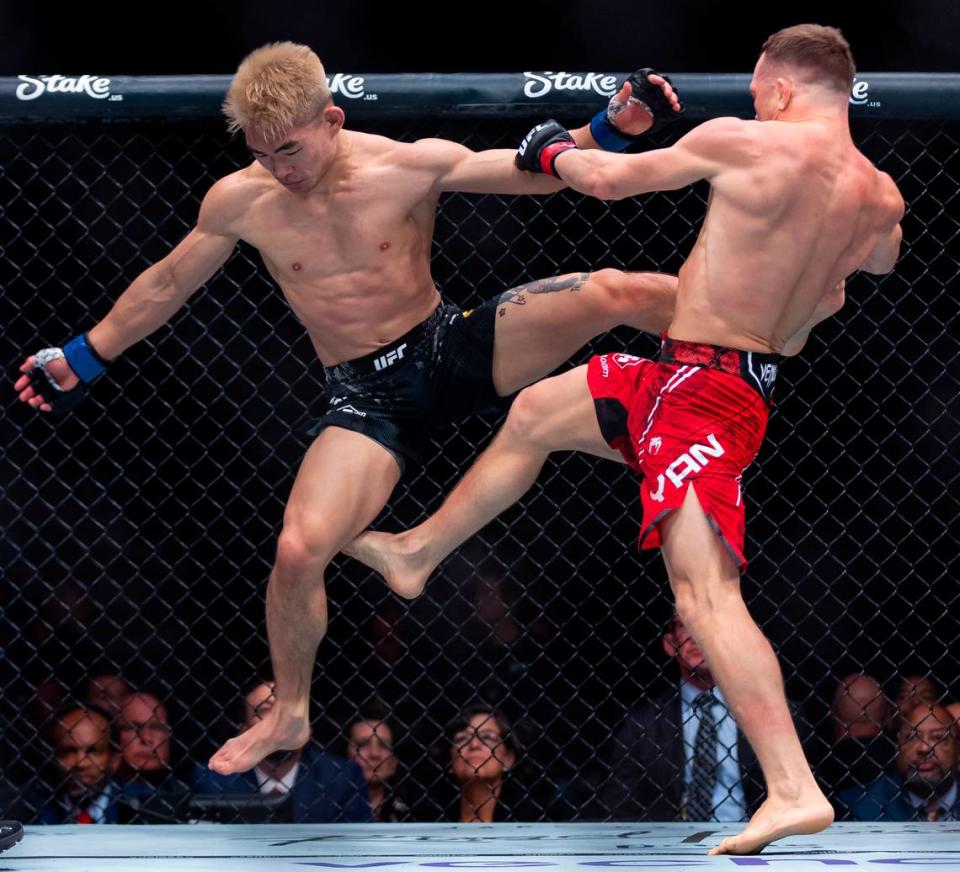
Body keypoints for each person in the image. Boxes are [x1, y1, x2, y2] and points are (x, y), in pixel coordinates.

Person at [14, 42, 681, 777]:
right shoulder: (242, 200)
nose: (281, 168)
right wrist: (81, 356)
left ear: (331, 119)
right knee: (299, 551)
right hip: (366, 396)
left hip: (448, 348)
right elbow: (168, 284)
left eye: (292, 149)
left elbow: (537, 171)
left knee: (620, 290)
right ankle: (292, 709)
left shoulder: (406, 164)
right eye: (264, 154)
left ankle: (750, 338)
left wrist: (614, 125)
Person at [347, 24, 904, 854]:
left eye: (760, 93)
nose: (756, 105)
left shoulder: (744, 142)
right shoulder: (881, 196)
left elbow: (606, 180)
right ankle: (418, 552)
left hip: (704, 399)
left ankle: (792, 787)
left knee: (703, 599)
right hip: (700, 378)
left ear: (782, 90)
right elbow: (862, 279)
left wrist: (550, 151)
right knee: (537, 412)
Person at [600, 615, 812, 821]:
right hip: (670, 845)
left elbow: (804, 794)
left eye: (708, 625)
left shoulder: (778, 716)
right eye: (685, 625)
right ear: (669, 643)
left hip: (755, 842)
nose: (696, 634)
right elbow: (620, 805)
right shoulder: (642, 724)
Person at [191, 681, 371, 823]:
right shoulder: (213, 780)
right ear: (243, 732)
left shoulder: (341, 778)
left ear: (306, 728)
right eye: (264, 710)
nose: (278, 722)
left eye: (286, 712)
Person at [837, 704, 960, 821]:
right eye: (912, 737)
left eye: (938, 737)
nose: (924, 748)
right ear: (898, 748)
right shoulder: (858, 806)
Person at [346, 701, 410, 821]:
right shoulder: (327, 810)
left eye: (384, 745)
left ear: (394, 761)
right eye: (363, 744)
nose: (374, 754)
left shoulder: (410, 812)